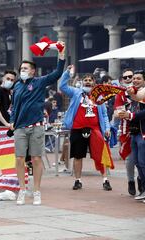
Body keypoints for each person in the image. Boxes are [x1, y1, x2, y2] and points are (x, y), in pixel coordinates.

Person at [10, 42, 65, 206]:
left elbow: (57, 73)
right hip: (20, 128)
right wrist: (12, 121)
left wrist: (61, 55)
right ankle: (22, 190)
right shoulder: (17, 85)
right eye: (21, 69)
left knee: (36, 159)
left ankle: (37, 191)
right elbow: (14, 106)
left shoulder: (40, 82)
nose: (23, 71)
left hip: (36, 127)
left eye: (26, 69)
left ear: (33, 71)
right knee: (19, 159)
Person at [60, 66, 113, 192]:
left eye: (90, 80)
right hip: (78, 128)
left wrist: (107, 128)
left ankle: (105, 180)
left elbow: (104, 114)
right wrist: (67, 73)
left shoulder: (99, 96)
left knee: (101, 154)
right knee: (78, 156)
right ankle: (78, 180)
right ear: (82, 82)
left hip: (95, 129)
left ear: (94, 82)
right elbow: (62, 86)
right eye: (86, 80)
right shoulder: (75, 92)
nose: (88, 81)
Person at [118, 70, 145, 201]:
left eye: (137, 78)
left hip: (142, 132)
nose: (133, 80)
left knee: (142, 162)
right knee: (137, 163)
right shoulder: (129, 92)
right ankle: (142, 190)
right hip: (133, 132)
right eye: (131, 78)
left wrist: (131, 115)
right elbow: (118, 111)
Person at [113, 68, 139, 196]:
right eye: (126, 77)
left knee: (141, 158)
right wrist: (120, 113)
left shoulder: (141, 91)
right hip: (126, 129)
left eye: (131, 76)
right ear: (122, 80)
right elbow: (118, 113)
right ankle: (130, 181)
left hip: (141, 127)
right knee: (130, 159)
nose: (129, 79)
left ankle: (141, 180)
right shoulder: (120, 95)